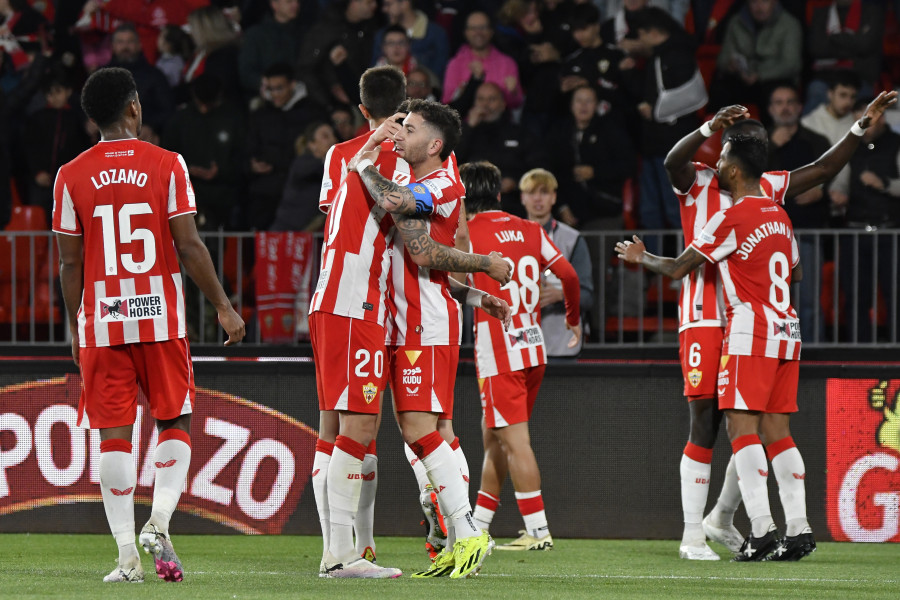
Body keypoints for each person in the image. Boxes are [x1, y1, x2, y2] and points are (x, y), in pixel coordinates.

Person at [659, 91, 897, 559]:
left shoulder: (764, 187)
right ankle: (692, 534)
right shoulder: (699, 181)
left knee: (742, 419)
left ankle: (723, 519)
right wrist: (706, 128)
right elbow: (672, 159)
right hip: (708, 315)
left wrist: (858, 127)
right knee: (708, 420)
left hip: (751, 321)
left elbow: (826, 170)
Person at [309, 66, 510, 579]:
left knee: (404, 427)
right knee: (379, 427)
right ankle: (351, 552)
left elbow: (420, 248)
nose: (407, 135)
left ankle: (455, 532)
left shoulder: (385, 164)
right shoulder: (391, 159)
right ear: (398, 114)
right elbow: (411, 242)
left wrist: (478, 278)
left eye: (414, 129)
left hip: (409, 316)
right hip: (364, 308)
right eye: (406, 124)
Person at [52, 67, 245, 583]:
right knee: (173, 420)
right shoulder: (167, 164)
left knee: (114, 437)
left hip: (102, 322)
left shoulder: (69, 175)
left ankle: (125, 559)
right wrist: (224, 306)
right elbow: (188, 246)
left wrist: (77, 325)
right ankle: (158, 522)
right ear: (134, 107)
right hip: (159, 317)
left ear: (92, 117)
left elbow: (70, 264)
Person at [617, 134, 814, 561]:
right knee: (778, 432)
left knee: (740, 430)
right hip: (788, 329)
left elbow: (678, 268)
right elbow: (795, 274)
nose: (717, 163)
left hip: (749, 328)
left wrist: (641, 257)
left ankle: (761, 530)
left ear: (735, 169)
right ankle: (799, 529)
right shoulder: (780, 214)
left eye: (723, 158)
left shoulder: (731, 216)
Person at [463, 160, 582, 552]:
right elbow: (568, 276)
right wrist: (573, 320)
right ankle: (479, 524)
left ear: (463, 196)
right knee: (494, 436)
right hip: (533, 348)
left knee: (514, 440)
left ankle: (537, 530)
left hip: (498, 350)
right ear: (499, 194)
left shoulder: (466, 232)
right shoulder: (531, 229)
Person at [766, 84, 831, 342]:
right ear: (771, 109)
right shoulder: (759, 143)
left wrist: (822, 192)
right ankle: (776, 356)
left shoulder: (817, 141)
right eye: (778, 102)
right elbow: (746, 181)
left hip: (806, 232)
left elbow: (832, 176)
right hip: (768, 237)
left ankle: (813, 359)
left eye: (790, 101)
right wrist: (770, 146)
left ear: (800, 107)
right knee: (771, 303)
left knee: (808, 302)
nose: (785, 107)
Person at [831, 98, 900, 343]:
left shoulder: (896, 143)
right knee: (856, 296)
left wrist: (885, 184)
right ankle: (857, 351)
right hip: (854, 232)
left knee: (895, 296)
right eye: (863, 117)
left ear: (883, 117)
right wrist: (836, 195)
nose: (869, 122)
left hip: (890, 232)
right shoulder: (848, 146)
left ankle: (895, 351)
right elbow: (838, 181)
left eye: (873, 117)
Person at [519, 168, 593, 359]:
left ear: (553, 198)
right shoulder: (510, 238)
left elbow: (587, 296)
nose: (537, 199)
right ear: (522, 198)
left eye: (544, 192)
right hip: (520, 342)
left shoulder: (572, 239)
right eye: (531, 192)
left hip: (562, 343)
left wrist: (561, 294)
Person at [246, 63, 328, 231]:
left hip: (303, 197)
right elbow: (247, 149)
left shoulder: (313, 112)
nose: (274, 94)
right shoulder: (260, 115)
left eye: (279, 88)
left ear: (292, 84)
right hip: (265, 196)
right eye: (270, 89)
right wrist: (250, 165)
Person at [454, 81, 545, 217]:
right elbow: (450, 163)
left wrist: (516, 182)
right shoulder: (465, 134)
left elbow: (539, 168)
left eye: (492, 99)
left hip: (512, 205)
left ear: (503, 104)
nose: (485, 105)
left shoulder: (520, 134)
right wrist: (469, 127)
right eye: (481, 99)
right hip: (471, 207)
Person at [709, 0, 803, 112]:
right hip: (742, 78)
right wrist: (730, 65)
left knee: (772, 95)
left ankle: (772, 129)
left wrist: (759, 75)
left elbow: (792, 64)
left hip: (775, 79)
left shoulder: (789, 24)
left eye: (764, 2)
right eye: (754, 2)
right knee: (719, 90)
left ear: (774, 2)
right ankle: (719, 128)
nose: (759, 8)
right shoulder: (736, 22)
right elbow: (722, 59)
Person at [805, 0, 883, 115]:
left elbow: (866, 46)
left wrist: (833, 39)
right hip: (827, 77)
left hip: (859, 76)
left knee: (863, 103)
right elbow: (817, 48)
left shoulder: (871, 12)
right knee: (817, 90)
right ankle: (810, 132)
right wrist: (852, 43)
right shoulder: (821, 13)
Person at [801, 70, 861, 216]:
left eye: (852, 97)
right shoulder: (809, 123)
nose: (848, 102)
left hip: (849, 205)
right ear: (829, 94)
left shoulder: (858, 124)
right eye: (843, 95)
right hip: (815, 204)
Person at [442, 11, 524, 110]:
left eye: (483, 28)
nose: (478, 32)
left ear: (491, 32)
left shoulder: (507, 63)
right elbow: (447, 104)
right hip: (466, 122)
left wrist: (511, 92)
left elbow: (517, 103)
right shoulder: (455, 64)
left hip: (499, 122)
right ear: (466, 33)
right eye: (473, 28)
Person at [106, 24, 175, 138]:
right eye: (120, 42)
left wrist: (150, 126)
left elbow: (168, 109)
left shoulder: (155, 75)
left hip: (143, 139)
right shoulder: (100, 76)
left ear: (139, 45)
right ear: (113, 46)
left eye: (130, 41)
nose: (125, 47)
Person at [270, 121, 337, 232]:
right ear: (312, 144)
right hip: (285, 233)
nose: (333, 140)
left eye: (333, 135)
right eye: (325, 136)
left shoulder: (330, 167)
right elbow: (309, 170)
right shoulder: (302, 163)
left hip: (309, 234)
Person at [239, 0, 310, 98]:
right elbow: (246, 71)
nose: (296, 5)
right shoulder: (256, 35)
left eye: (297, 1)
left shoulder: (305, 32)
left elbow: (316, 51)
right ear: (274, 5)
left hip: (302, 94)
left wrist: (317, 54)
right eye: (289, 1)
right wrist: (265, 83)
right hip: (268, 97)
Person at [372, 0, 450, 80]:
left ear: (405, 3)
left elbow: (438, 77)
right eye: (391, 43)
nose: (384, 9)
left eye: (388, 4)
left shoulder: (436, 34)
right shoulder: (381, 35)